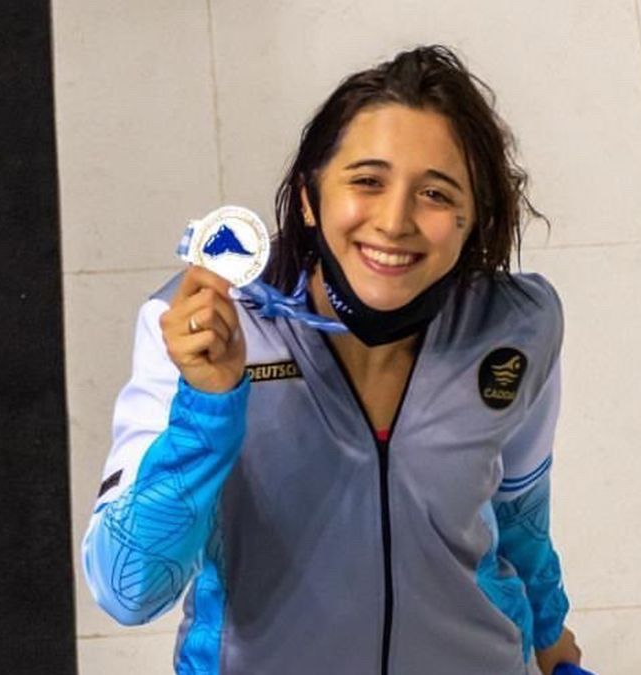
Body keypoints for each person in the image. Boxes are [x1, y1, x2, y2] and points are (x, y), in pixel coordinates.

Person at [82, 45, 584, 675]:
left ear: (471, 217)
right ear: (309, 197)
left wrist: (550, 634)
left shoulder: (516, 325)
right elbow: (128, 590)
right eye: (367, 181)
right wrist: (207, 408)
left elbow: (519, 508)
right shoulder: (202, 326)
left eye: (434, 192)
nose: (394, 221)